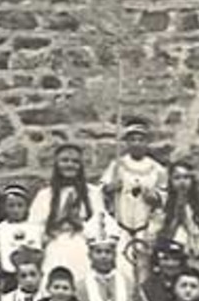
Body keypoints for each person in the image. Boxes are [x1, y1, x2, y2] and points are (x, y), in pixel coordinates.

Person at [28, 143, 109, 287]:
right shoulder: (45, 195)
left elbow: (101, 228)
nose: (70, 165)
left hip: (83, 250)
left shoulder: (93, 193)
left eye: (75, 161)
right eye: (65, 160)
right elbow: (33, 232)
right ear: (57, 164)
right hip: (55, 248)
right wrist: (55, 223)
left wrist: (79, 224)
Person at [99, 116, 168, 235]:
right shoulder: (117, 165)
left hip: (146, 224)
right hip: (121, 223)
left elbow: (165, 195)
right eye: (132, 140)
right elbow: (101, 190)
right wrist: (110, 188)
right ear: (127, 142)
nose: (136, 144)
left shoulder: (157, 169)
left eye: (141, 140)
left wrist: (155, 198)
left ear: (147, 142)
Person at [148, 160, 199, 261]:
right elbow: (155, 235)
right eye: (177, 178)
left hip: (195, 254)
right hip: (169, 256)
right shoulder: (162, 208)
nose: (182, 182)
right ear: (170, 181)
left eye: (186, 177)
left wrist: (189, 223)